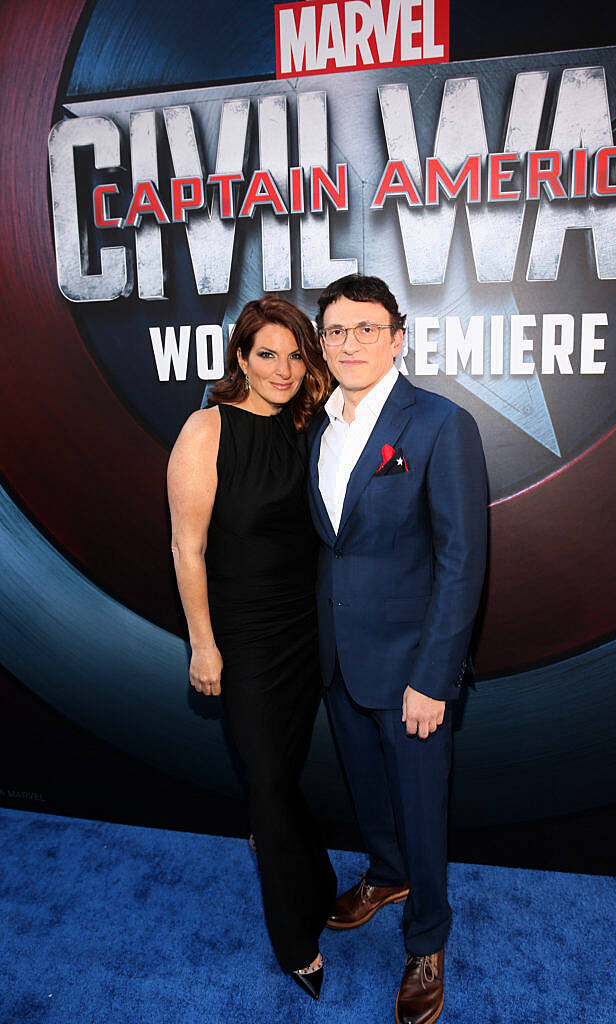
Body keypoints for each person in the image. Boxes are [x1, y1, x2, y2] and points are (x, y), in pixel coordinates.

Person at [307, 275, 488, 1024]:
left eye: (364, 329)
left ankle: (426, 943)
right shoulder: (316, 425)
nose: (348, 343)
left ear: (396, 338)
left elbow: (461, 561)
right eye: (335, 330)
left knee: (421, 807)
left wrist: (433, 677)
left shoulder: (441, 425)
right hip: (337, 659)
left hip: (413, 668)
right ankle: (385, 876)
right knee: (368, 794)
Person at [167, 296, 337, 999]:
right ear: (239, 358)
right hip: (240, 635)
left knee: (283, 772)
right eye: (267, 353)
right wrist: (203, 646)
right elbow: (187, 546)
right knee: (265, 778)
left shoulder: (313, 428)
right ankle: (295, 940)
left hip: (306, 629)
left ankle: (318, 877)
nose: (283, 368)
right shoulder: (207, 429)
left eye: (296, 355)